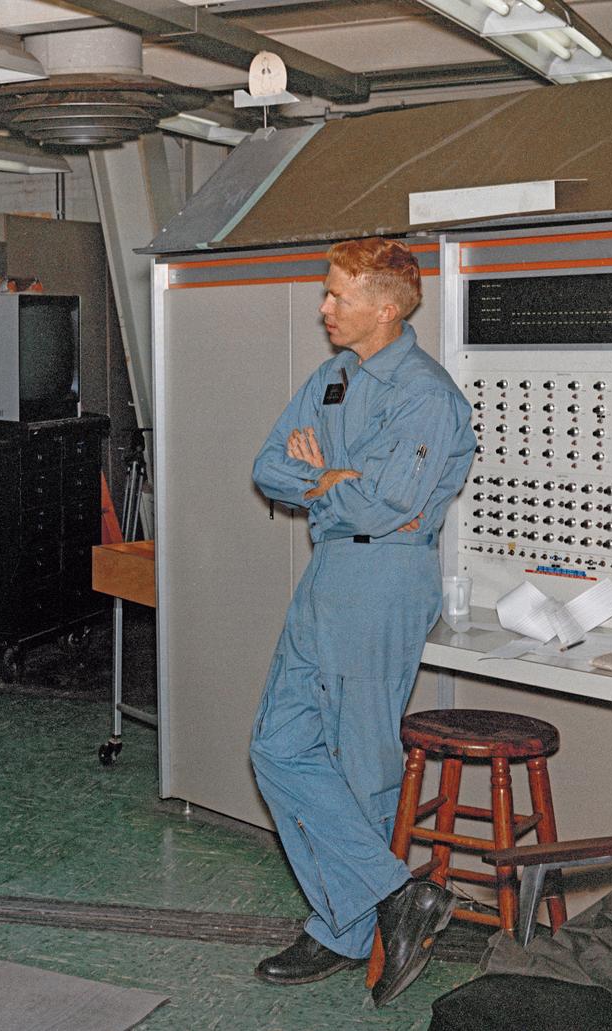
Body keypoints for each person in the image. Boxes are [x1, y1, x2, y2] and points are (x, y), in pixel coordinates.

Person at [248, 237, 475, 1007]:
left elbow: (388, 502)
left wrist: (323, 480)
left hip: (384, 574)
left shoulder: (426, 395)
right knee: (276, 744)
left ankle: (342, 929)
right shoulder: (334, 377)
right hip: (330, 570)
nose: (323, 308)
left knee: (360, 758)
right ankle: (392, 893)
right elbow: (267, 464)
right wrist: (329, 476)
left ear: (385, 308)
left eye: (337, 296)